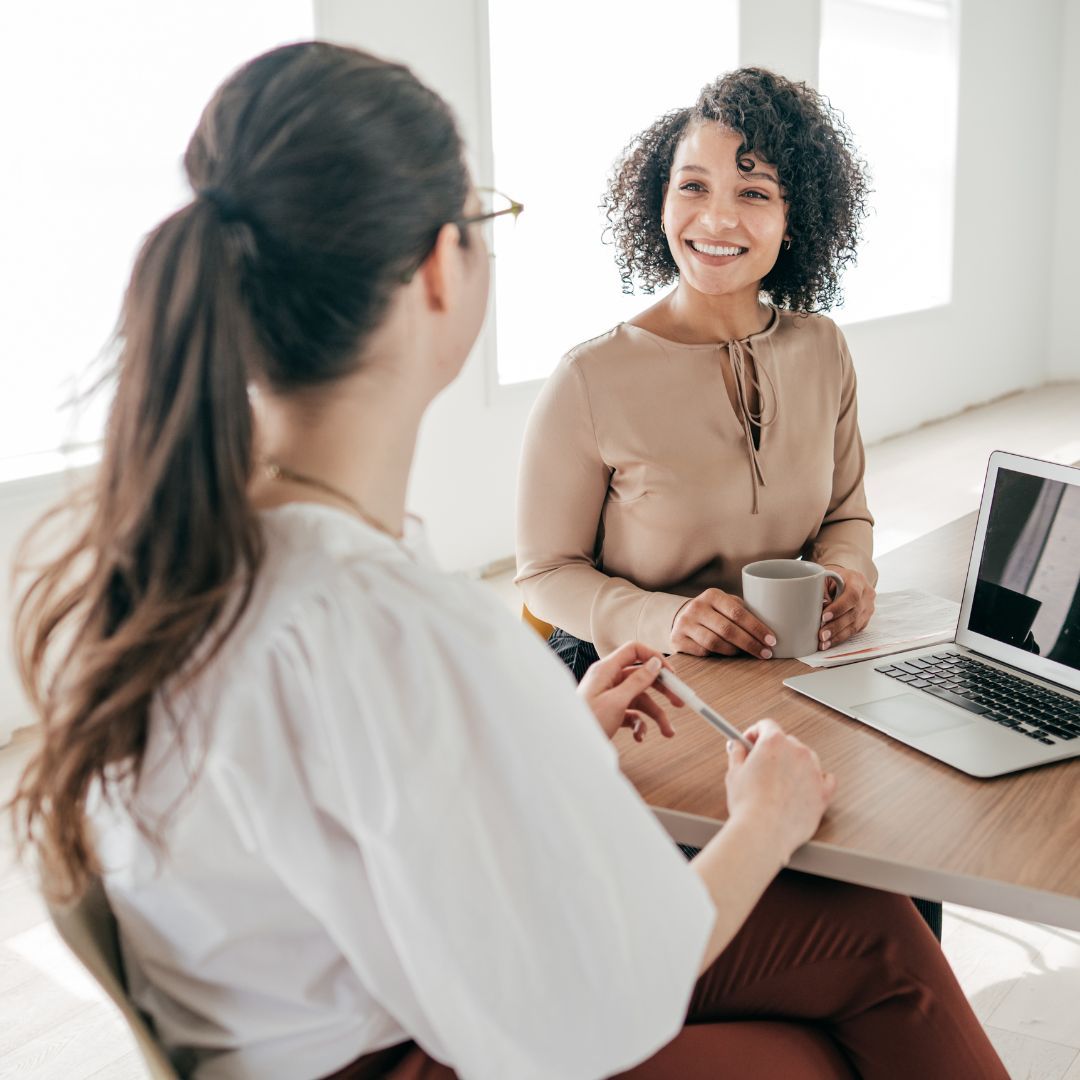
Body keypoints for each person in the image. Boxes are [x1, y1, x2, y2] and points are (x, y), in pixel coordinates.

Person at [12, 43, 1005, 1080]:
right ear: (444, 266)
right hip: (422, 1047)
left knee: (874, 944)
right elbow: (595, 999)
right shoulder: (397, 617)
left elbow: (364, 808)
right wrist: (767, 820)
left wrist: (555, 742)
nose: (717, 216)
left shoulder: (178, 558)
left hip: (359, 1009)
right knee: (858, 999)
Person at [516, 69, 879, 681]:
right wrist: (667, 619)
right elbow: (545, 574)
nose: (715, 220)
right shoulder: (589, 376)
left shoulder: (822, 348)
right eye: (693, 187)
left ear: (795, 219)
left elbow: (845, 514)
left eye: (754, 193)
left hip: (778, 665)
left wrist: (850, 576)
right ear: (661, 203)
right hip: (626, 674)